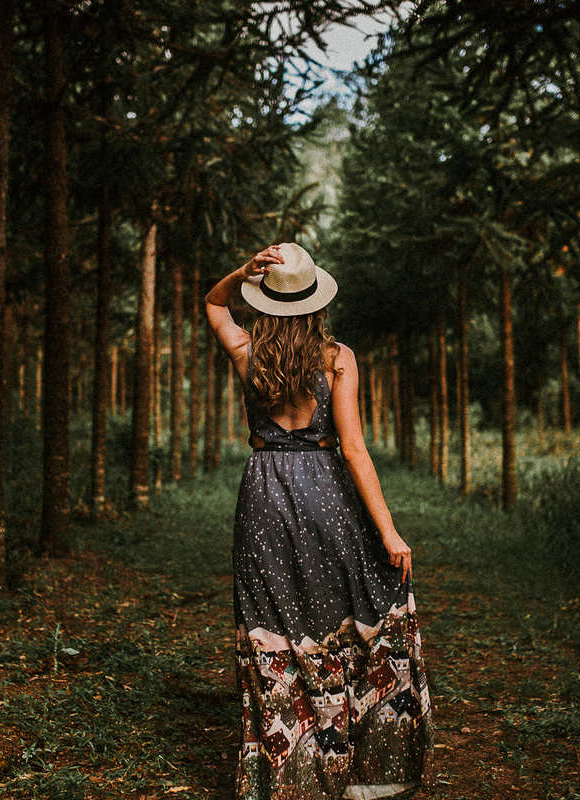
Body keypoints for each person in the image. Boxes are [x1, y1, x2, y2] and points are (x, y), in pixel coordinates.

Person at [206, 242, 434, 800]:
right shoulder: (337, 358)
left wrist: (242, 272)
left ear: (265, 300)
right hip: (325, 492)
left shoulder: (246, 352)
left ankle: (288, 772)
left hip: (262, 495)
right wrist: (388, 530)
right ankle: (355, 764)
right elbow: (353, 448)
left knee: (274, 622)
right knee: (338, 612)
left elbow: (213, 303)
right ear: (316, 302)